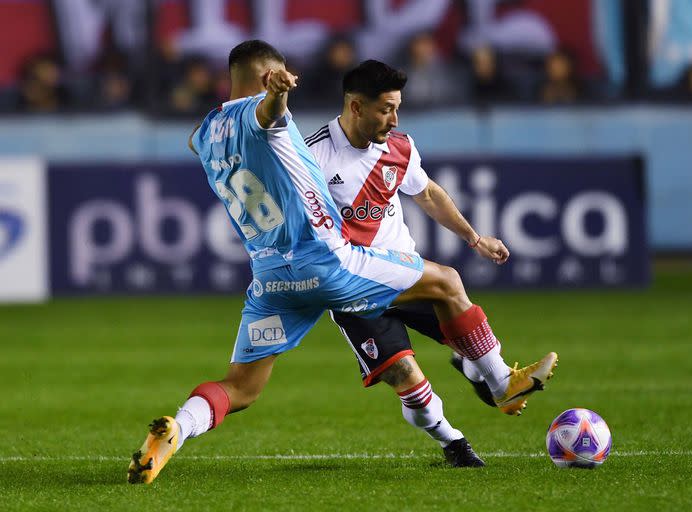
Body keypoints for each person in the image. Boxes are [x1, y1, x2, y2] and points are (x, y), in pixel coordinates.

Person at [127, 40, 558, 484]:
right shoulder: (268, 118)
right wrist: (277, 94)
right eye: (281, 73)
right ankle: (500, 383)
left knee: (240, 387)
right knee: (447, 280)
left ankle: (179, 427)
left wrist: (471, 236)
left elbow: (200, 140)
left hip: (271, 276)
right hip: (329, 263)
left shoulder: (207, 132)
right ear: (266, 78)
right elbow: (269, 116)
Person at [306, 58, 527, 462]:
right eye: (386, 109)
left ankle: (498, 381)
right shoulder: (313, 159)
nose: (394, 119)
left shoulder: (399, 147)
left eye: (398, 108)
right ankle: (452, 440)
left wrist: (474, 238)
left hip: (405, 272)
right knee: (409, 383)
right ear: (355, 106)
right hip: (355, 291)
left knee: (450, 286)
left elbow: (426, 193)